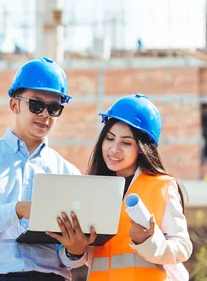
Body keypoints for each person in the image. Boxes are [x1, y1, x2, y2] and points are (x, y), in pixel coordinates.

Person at [0, 57, 93, 281]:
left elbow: (70, 260)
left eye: (54, 108)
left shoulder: (67, 172)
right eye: (36, 105)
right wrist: (17, 210)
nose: (45, 114)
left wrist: (75, 250)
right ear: (14, 104)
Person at [49, 93, 193, 280]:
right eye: (109, 138)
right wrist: (74, 251)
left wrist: (148, 241)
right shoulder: (93, 189)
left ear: (142, 148)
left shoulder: (163, 186)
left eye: (126, 142)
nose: (114, 148)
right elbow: (79, 259)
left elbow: (182, 248)